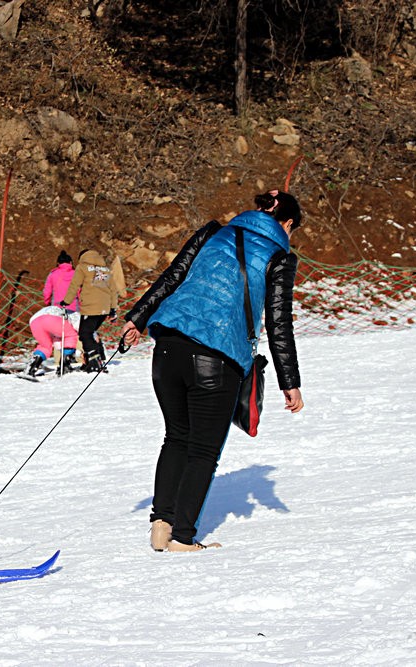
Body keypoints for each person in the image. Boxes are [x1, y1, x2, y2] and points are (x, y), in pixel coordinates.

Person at [120, 190, 305, 553]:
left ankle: (162, 523)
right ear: (285, 223)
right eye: (292, 228)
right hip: (217, 358)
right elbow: (279, 322)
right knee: (203, 450)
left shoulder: (212, 232)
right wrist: (290, 381)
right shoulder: (279, 256)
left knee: (176, 436)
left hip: (168, 348)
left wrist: (137, 319)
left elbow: (172, 276)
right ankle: (183, 537)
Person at [61, 248, 119, 373]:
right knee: (91, 332)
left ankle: (95, 361)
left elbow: (74, 285)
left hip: (91, 307)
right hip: (105, 307)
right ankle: (93, 359)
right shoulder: (106, 270)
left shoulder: (82, 267)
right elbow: (113, 290)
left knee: (84, 334)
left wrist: (66, 301)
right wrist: (113, 309)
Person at [25, 305, 79, 376]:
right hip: (54, 318)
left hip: (34, 321)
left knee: (45, 346)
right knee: (71, 335)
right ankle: (65, 365)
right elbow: (79, 328)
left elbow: (57, 345)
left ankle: (32, 367)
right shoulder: (77, 316)